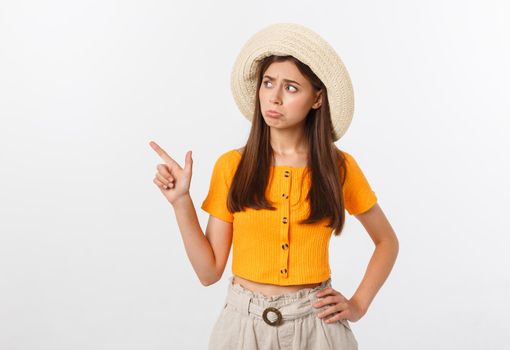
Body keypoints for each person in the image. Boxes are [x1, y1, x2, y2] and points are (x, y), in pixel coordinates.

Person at [149, 23, 399, 350]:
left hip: (317, 327)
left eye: (292, 87)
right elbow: (209, 272)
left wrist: (358, 304)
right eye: (269, 83)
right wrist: (181, 202)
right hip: (241, 326)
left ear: (317, 98)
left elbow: (386, 241)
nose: (275, 97)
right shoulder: (233, 166)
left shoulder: (339, 168)